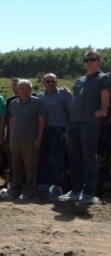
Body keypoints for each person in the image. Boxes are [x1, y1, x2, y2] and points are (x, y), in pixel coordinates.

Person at [59, 49, 111, 204]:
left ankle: (88, 193)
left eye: (92, 59)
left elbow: (105, 94)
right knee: (75, 157)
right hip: (75, 122)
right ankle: (75, 190)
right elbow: (77, 102)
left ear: (98, 61)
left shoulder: (103, 78)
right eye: (86, 60)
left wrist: (103, 110)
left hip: (89, 123)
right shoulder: (81, 80)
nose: (89, 62)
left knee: (89, 158)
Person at [4, 79, 45, 200]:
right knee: (16, 167)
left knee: (30, 168)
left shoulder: (37, 102)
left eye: (27, 88)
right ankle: (15, 191)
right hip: (15, 140)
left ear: (31, 90)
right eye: (22, 88)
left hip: (30, 140)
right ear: (17, 89)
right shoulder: (14, 103)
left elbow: (41, 122)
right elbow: (11, 121)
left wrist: (38, 139)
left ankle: (29, 191)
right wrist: (10, 138)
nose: (24, 90)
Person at [36, 73, 73, 200]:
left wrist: (68, 131)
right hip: (43, 132)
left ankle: (57, 189)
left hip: (58, 132)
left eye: (53, 81)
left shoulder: (65, 94)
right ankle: (43, 189)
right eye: (48, 81)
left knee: (57, 161)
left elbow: (73, 113)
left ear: (57, 82)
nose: (51, 83)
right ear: (43, 83)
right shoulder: (39, 96)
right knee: (43, 161)